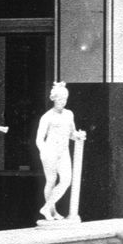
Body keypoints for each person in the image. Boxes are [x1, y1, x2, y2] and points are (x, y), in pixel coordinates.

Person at [35, 82, 85, 222]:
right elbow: (39, 139)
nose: (62, 102)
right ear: (54, 99)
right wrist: (45, 152)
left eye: (65, 99)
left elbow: (72, 133)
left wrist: (78, 135)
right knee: (51, 180)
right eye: (60, 99)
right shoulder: (47, 117)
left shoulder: (69, 114)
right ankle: (52, 211)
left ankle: (46, 207)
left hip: (64, 152)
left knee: (66, 180)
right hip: (50, 151)